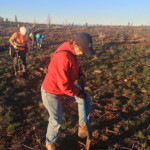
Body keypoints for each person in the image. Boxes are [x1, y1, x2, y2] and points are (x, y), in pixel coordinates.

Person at [41, 32, 95, 150]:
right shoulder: (63, 57)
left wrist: (79, 71)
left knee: (85, 99)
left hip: (64, 85)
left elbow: (73, 63)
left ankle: (82, 127)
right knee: (56, 121)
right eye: (83, 50)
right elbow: (64, 86)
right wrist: (77, 93)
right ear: (75, 45)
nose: (84, 53)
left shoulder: (70, 48)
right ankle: (50, 142)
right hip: (51, 90)